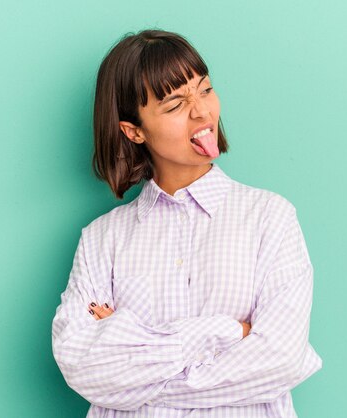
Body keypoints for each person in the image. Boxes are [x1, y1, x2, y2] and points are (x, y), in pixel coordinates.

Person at [51, 29, 322, 418]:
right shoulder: (101, 239)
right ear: (134, 130)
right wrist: (225, 331)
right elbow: (82, 365)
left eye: (206, 89)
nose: (202, 112)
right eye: (176, 103)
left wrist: (136, 365)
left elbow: (280, 358)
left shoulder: (270, 218)